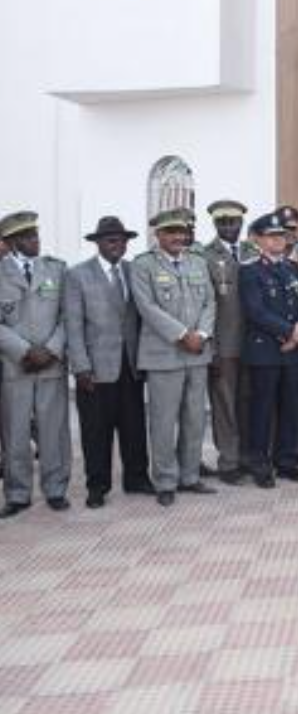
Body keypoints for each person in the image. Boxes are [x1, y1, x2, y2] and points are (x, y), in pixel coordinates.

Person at [131, 208, 218, 506]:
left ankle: (190, 476)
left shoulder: (197, 262)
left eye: (181, 232)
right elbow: (147, 307)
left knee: (195, 419)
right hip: (163, 355)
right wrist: (183, 334)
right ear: (158, 235)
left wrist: (202, 335)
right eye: (171, 232)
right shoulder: (143, 266)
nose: (178, 237)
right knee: (163, 421)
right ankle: (165, 480)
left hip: (197, 354)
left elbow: (210, 302)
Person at [64, 216, 152, 508]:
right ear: (98, 243)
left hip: (131, 363)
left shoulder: (133, 270)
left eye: (123, 240)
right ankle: (97, 486)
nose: (119, 245)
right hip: (96, 367)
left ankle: (137, 478)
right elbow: (73, 325)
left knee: (134, 425)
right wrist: (80, 367)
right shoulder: (78, 275)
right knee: (96, 430)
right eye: (112, 240)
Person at [0, 211, 72, 517]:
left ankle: (56, 488)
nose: (36, 241)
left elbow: (68, 316)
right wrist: (23, 351)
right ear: (13, 243)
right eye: (29, 237)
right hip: (15, 366)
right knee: (14, 432)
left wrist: (51, 349)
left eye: (37, 235)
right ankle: (17, 494)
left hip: (50, 364)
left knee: (53, 430)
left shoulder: (56, 270)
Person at [239, 212, 298, 487]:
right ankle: (260, 464)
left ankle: (286, 461)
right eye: (271, 236)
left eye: (281, 235)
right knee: (262, 409)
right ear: (258, 239)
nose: (278, 240)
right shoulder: (249, 270)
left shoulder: (293, 269)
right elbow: (256, 311)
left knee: (291, 408)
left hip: (293, 351)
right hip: (265, 351)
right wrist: (288, 331)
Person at [200, 200, 256, 484]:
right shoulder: (205, 255)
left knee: (249, 403)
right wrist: (212, 349)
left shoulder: (251, 251)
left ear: (242, 223)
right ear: (215, 225)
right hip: (223, 346)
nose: (229, 227)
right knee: (224, 406)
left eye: (233, 221)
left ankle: (247, 456)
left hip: (253, 344)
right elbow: (204, 305)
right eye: (222, 222)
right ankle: (228, 461)